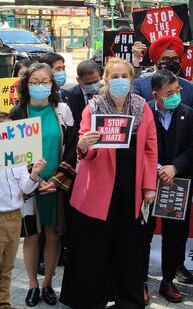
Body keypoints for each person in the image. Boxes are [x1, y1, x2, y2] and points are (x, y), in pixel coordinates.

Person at [60, 58, 158, 309]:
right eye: (114, 76)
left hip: (131, 186)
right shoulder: (93, 107)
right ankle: (91, 299)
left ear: (131, 79)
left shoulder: (142, 107)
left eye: (124, 76)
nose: (120, 81)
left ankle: (127, 299)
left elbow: (150, 149)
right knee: (94, 246)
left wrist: (149, 186)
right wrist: (84, 145)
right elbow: (84, 148)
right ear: (106, 80)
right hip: (97, 187)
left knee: (127, 246)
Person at [9, 63, 77, 307]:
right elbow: (11, 152)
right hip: (28, 185)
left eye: (45, 81)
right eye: (35, 82)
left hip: (55, 184)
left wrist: (56, 180)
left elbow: (72, 148)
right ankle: (32, 284)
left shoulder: (62, 110)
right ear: (26, 85)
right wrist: (33, 179)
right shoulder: (17, 113)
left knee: (53, 234)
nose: (40, 86)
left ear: (52, 84)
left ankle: (47, 283)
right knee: (31, 236)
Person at [0, 111, 47, 309]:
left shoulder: (18, 158)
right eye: (6, 130)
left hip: (15, 217)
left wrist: (34, 174)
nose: (11, 134)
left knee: (7, 267)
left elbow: (25, 188)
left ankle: (4, 304)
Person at [141, 70, 193, 304]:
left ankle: (168, 280)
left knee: (175, 235)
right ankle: (140, 280)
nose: (175, 96)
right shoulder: (143, 111)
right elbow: (139, 145)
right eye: (169, 93)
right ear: (156, 95)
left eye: (177, 91)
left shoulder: (188, 113)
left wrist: (174, 167)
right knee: (143, 232)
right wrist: (157, 168)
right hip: (148, 181)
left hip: (178, 181)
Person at [132, 35, 193, 113]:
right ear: (156, 60)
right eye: (166, 59)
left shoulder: (191, 89)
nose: (171, 63)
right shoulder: (140, 86)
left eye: (175, 59)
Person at [65, 60, 102, 133]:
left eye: (96, 81)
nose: (93, 86)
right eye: (88, 83)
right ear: (78, 80)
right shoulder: (70, 96)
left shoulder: (106, 92)